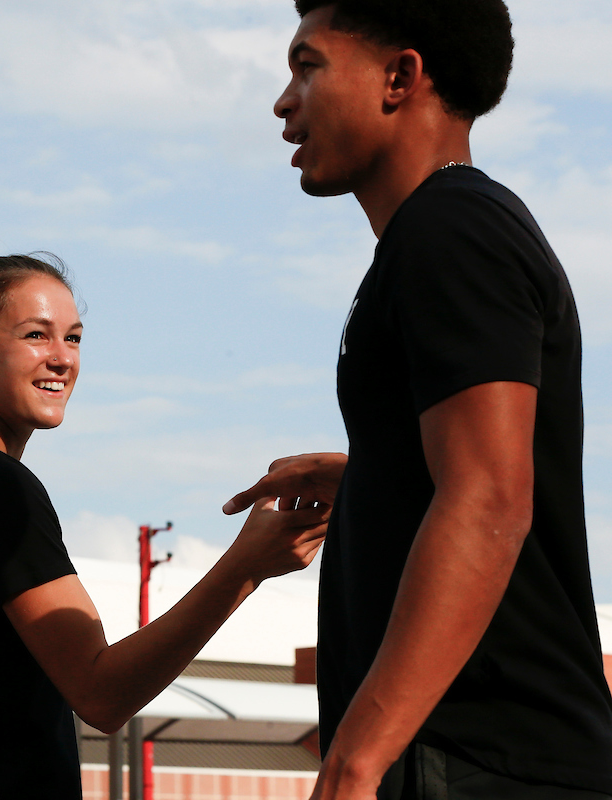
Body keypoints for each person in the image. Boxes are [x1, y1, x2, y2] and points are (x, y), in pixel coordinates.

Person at [223, 2, 612, 798]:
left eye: (308, 65)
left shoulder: (452, 228)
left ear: (400, 77)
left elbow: (489, 498)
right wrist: (373, 479)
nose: (284, 100)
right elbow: (471, 471)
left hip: (478, 760)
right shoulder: (434, 236)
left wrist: (356, 762)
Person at [0, 253, 330, 799]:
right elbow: (102, 693)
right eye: (37, 335)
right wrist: (245, 568)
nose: (62, 358)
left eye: (74, 338)